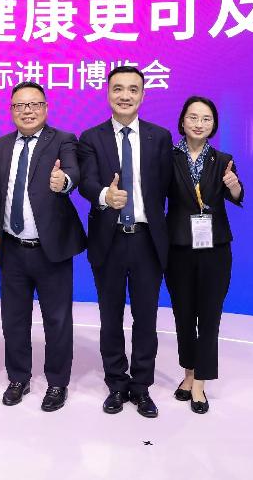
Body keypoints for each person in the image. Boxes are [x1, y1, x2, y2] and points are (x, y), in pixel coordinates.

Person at [0, 81, 86, 412]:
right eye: (20, 106)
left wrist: (64, 181)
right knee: (13, 319)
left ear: (46, 108)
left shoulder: (63, 139)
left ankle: (57, 382)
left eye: (34, 104)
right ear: (11, 110)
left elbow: (73, 171)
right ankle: (18, 378)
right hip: (11, 248)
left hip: (50, 248)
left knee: (57, 320)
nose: (27, 111)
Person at [76, 65, 172, 418]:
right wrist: (105, 195)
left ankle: (141, 386)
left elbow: (170, 185)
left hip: (148, 240)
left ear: (143, 95)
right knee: (111, 317)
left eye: (133, 89)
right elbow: (86, 181)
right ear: (108, 93)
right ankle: (116, 384)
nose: (125, 95)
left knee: (146, 318)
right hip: (110, 240)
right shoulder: (91, 137)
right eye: (118, 89)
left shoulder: (159, 137)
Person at [166, 96, 243, 414]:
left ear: (214, 124)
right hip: (178, 248)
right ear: (182, 121)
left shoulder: (223, 159)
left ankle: (200, 382)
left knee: (209, 317)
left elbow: (237, 195)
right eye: (193, 117)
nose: (199, 124)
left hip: (215, 249)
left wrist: (233, 185)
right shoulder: (168, 157)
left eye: (206, 119)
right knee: (184, 316)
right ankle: (188, 373)